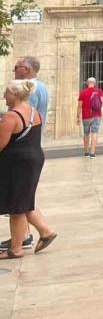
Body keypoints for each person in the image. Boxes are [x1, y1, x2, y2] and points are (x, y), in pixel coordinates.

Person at [2, 56, 56, 252]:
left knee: (19, 202)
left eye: (16, 67)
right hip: (33, 150)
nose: (3, 96)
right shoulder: (39, 96)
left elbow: (4, 140)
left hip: (20, 156)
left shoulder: (16, 111)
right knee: (25, 199)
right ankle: (44, 231)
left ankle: (22, 240)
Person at [77, 78, 103, 158]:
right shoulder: (99, 91)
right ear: (94, 83)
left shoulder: (83, 93)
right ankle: (92, 153)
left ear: (87, 83)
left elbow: (79, 106)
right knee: (94, 133)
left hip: (86, 116)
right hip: (97, 115)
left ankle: (86, 152)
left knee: (86, 134)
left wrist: (78, 117)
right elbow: (102, 101)